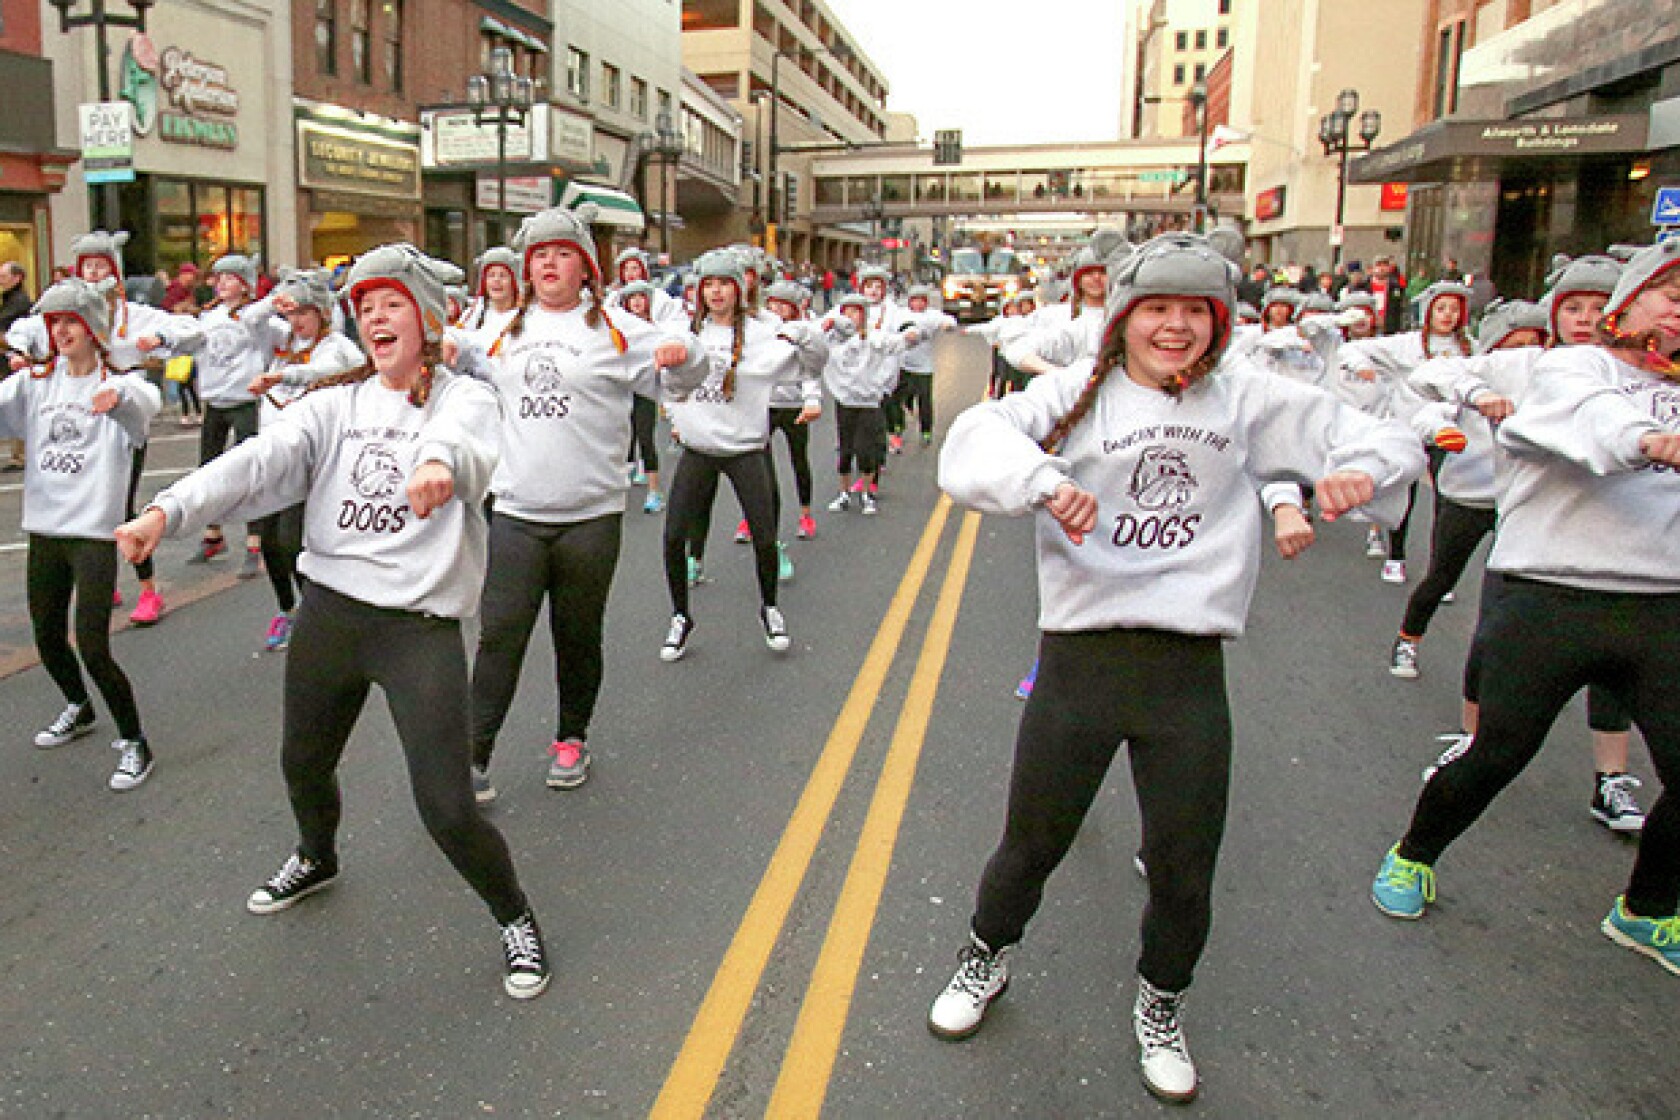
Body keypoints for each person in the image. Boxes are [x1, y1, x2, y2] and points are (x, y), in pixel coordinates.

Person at [928, 233, 1424, 1103]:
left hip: (1185, 672)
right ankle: (985, 956)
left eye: (1194, 310)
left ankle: (1161, 1004)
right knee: (1030, 846)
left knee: (1184, 863)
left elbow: (1387, 434)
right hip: (1079, 660)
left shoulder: (1248, 398)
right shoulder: (1078, 394)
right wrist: (1043, 481)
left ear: (1218, 321)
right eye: (1157, 307)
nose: (1174, 325)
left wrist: (1355, 472)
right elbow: (974, 437)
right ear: (1123, 317)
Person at [116, 242, 552, 1000]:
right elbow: (258, 461)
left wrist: (439, 468)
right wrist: (167, 509)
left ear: (427, 318)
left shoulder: (463, 398)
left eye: (393, 304)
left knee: (447, 807)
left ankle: (514, 914)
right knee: (302, 763)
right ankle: (318, 854)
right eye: (367, 305)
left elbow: (468, 443)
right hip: (331, 616)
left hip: (416, 627)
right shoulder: (335, 403)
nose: (377, 317)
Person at [1369, 238, 1680, 980]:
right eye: (1673, 291)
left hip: (1663, 605)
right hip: (1548, 595)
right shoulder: (1572, 365)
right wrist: (1654, 438)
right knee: (1499, 753)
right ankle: (1414, 855)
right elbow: (1594, 421)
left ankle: (1646, 909)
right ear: (1628, 302)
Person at [453, 205, 698, 795]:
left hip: (590, 517)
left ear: (586, 267)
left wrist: (684, 355)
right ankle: (472, 755)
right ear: (526, 267)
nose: (550, 266)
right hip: (516, 512)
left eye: (563, 254)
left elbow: (684, 376)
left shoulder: (616, 330)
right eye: (539, 256)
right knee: (500, 633)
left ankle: (571, 739)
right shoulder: (498, 332)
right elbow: (451, 364)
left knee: (577, 633)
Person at [0, 276, 160, 790]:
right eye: (55, 322)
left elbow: (143, 412)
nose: (62, 331)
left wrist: (118, 401)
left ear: (93, 327)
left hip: (93, 533)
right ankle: (78, 704)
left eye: (71, 321)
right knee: (47, 636)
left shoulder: (120, 383)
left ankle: (135, 741)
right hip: (45, 530)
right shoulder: (36, 383)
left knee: (93, 645)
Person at [8, 231, 203, 624]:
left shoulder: (131, 315)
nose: (95, 274)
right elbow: (25, 329)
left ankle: (147, 590)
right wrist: (22, 353)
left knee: (122, 505)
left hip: (121, 410)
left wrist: (159, 338)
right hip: (72, 400)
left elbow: (194, 332)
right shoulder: (72, 309)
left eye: (102, 266)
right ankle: (95, 576)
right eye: (88, 267)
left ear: (115, 270)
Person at [658, 249, 799, 662]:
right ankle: (681, 616)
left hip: (744, 449)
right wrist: (676, 414)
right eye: (709, 285)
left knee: (764, 534)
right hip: (698, 448)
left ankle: (770, 607)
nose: (716, 292)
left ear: (740, 290)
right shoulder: (685, 329)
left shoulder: (762, 331)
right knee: (672, 536)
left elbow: (805, 360)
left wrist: (812, 338)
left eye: (724, 284)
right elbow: (661, 367)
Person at [247, 269, 365, 651]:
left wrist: (283, 377)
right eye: (291, 314)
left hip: (314, 459)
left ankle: (320, 615)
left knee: (292, 543)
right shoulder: (283, 343)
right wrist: (272, 302)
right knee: (268, 542)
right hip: (274, 454)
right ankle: (288, 609)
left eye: (304, 312)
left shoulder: (338, 347)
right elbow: (249, 321)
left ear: (323, 312)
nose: (296, 322)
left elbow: (325, 371)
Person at [823, 294, 915, 516]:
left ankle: (866, 493)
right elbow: (809, 337)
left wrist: (913, 334)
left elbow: (898, 343)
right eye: (846, 312)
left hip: (869, 403)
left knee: (866, 450)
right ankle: (844, 493)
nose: (850, 317)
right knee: (845, 449)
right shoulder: (832, 340)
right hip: (845, 401)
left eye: (856, 312)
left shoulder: (874, 338)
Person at [762, 279, 827, 547]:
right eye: (772, 304)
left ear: (792, 308)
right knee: (758, 469)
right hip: (766, 405)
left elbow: (810, 371)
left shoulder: (803, 332)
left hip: (794, 407)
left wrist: (812, 400)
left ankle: (805, 513)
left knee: (798, 459)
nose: (776, 310)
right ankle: (752, 517)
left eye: (782, 305)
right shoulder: (761, 331)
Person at [1, 261, 35, 471]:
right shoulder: (10, 300)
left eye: (4, 277)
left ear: (17, 278)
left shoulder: (19, 302)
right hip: (8, 360)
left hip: (13, 360)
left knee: (17, 404)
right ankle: (17, 453)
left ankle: (20, 454)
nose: (1, 281)